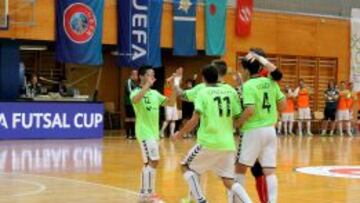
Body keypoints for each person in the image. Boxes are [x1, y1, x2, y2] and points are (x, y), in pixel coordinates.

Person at [174, 64, 252, 203]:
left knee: (185, 166)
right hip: (228, 143)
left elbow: (194, 119)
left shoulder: (202, 92)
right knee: (228, 180)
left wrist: (180, 133)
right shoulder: (230, 90)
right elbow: (238, 116)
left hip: (208, 142)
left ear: (203, 78)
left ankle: (200, 200)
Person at [235, 53, 286, 203]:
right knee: (269, 171)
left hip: (252, 130)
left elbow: (249, 110)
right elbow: (283, 106)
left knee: (239, 169)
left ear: (246, 70)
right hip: (270, 130)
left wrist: (237, 123)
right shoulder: (271, 82)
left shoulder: (248, 86)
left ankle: (240, 201)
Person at [130, 66, 171, 202]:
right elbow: (135, 100)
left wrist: (174, 87)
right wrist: (146, 85)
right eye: (149, 75)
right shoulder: (136, 91)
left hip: (154, 134)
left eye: (153, 75)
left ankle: (145, 193)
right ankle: (148, 194)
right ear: (141, 76)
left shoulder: (155, 94)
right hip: (144, 132)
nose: (152, 78)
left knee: (150, 162)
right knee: (152, 161)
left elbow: (170, 102)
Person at [160, 69, 181, 138]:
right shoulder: (167, 85)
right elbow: (167, 80)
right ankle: (161, 132)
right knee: (168, 119)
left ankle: (172, 134)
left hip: (174, 104)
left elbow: (178, 80)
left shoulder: (175, 86)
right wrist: (173, 76)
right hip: (168, 104)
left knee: (174, 119)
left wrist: (178, 75)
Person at [124, 70, 138, 139]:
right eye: (136, 74)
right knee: (129, 118)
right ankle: (128, 134)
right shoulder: (129, 81)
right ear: (132, 74)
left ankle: (133, 134)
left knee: (133, 118)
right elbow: (129, 91)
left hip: (134, 103)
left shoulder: (135, 83)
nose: (137, 76)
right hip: (129, 102)